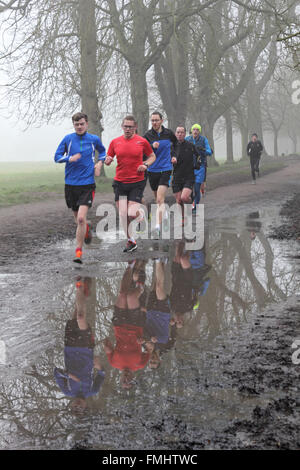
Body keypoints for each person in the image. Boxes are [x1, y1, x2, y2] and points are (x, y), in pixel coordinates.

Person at [54, 112, 106, 264]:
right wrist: (69, 158)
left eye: (82, 124)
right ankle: (87, 229)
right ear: (74, 125)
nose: (79, 127)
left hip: (87, 184)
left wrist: (99, 163)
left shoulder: (94, 139)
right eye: (76, 124)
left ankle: (78, 252)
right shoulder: (68, 139)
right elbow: (56, 157)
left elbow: (102, 152)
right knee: (79, 221)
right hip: (71, 185)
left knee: (81, 218)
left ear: (87, 124)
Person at [54, 277, 105, 414]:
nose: (77, 405)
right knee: (81, 317)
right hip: (86, 348)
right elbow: (102, 374)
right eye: (80, 408)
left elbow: (56, 372)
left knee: (76, 315)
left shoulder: (67, 390)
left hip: (69, 347)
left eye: (74, 407)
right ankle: (79, 285)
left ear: (70, 405)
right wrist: (99, 365)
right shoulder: (93, 390)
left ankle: (84, 291)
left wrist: (67, 375)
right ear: (85, 406)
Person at [105, 115, 156, 253]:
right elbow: (108, 158)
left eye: (130, 127)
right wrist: (108, 160)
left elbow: (152, 156)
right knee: (123, 214)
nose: (127, 129)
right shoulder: (115, 142)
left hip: (136, 182)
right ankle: (131, 241)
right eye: (125, 126)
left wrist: (145, 165)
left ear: (135, 127)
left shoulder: (142, 141)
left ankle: (141, 214)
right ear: (122, 127)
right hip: (120, 182)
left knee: (132, 214)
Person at [103, 262, 152, 389]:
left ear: (120, 379)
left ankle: (130, 266)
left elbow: (107, 346)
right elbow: (150, 348)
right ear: (133, 379)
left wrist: (106, 346)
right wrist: (144, 342)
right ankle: (140, 286)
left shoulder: (114, 363)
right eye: (128, 381)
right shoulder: (140, 364)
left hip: (119, 326)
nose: (126, 379)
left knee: (122, 294)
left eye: (123, 381)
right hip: (136, 325)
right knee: (131, 296)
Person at [143, 111, 177, 238]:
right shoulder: (147, 135)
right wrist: (151, 146)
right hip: (152, 170)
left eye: (156, 120)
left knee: (159, 199)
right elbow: (142, 150)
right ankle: (165, 213)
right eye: (152, 120)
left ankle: (157, 226)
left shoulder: (168, 133)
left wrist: (174, 156)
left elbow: (176, 145)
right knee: (157, 198)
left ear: (162, 120)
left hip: (166, 168)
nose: (154, 123)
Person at [171, 126, 201, 224]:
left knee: (184, 198)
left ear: (185, 134)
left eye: (182, 132)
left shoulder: (190, 145)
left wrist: (197, 165)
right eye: (178, 132)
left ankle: (191, 200)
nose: (180, 134)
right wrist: (171, 160)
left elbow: (198, 156)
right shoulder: (172, 146)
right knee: (179, 200)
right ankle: (183, 218)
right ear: (175, 134)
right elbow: (167, 159)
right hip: (176, 176)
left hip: (188, 175)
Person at [185, 123, 212, 211]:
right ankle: (192, 203)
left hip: (200, 167)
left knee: (197, 188)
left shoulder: (203, 140)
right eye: (194, 129)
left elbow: (209, 152)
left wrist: (203, 150)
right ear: (191, 131)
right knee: (189, 189)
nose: (195, 131)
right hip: (189, 167)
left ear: (199, 131)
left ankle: (195, 207)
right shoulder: (187, 139)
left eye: (197, 130)